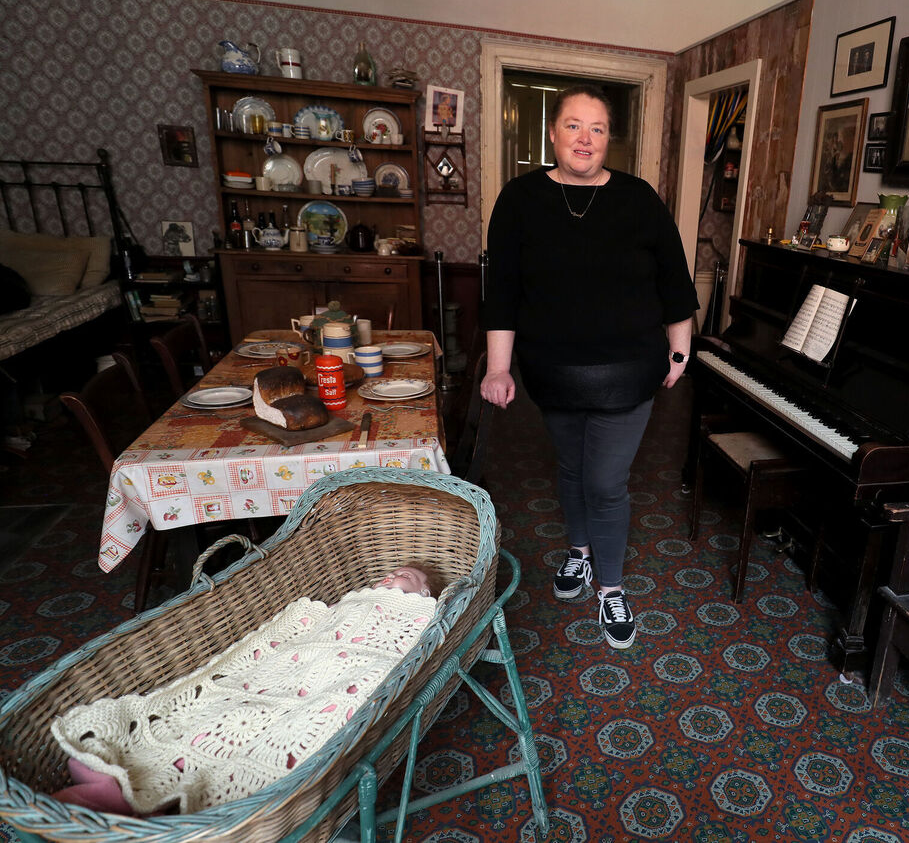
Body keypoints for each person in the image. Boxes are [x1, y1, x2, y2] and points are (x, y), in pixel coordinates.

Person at [481, 85, 697, 650]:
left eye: (597, 129)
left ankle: (610, 586)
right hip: (552, 371)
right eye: (573, 126)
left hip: (629, 369)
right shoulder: (520, 198)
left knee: (605, 481)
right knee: (573, 469)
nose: (585, 138)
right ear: (552, 134)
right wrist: (498, 369)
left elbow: (674, 282)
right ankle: (579, 552)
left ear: (608, 141)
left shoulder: (639, 198)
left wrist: (680, 351)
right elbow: (500, 293)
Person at [51, 563, 447, 815]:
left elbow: (405, 645)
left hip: (350, 667)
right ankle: (127, 768)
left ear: (424, 595)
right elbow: (318, 627)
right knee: (221, 706)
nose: (391, 578)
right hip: (292, 667)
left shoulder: (419, 614)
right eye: (390, 572)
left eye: (405, 578)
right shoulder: (349, 603)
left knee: (283, 732)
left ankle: (143, 804)